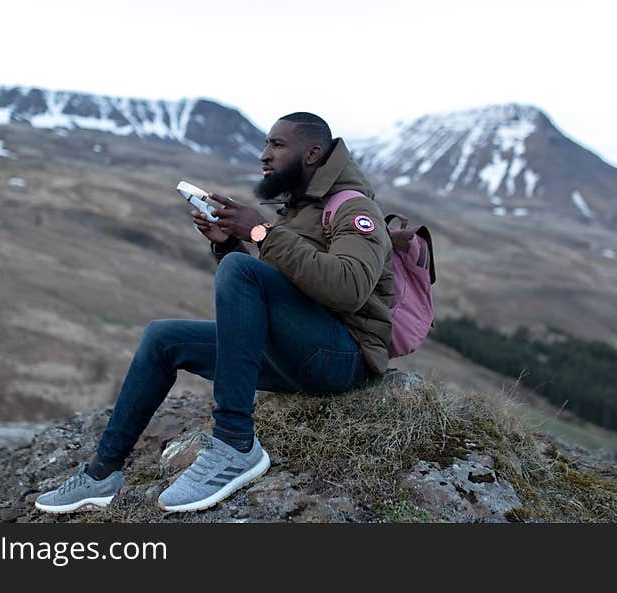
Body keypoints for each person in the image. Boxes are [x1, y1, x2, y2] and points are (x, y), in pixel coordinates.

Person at [34, 112, 393, 514]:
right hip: (297, 353)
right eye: (265, 145)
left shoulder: (353, 207)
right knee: (162, 337)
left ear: (312, 153)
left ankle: (234, 443)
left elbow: (349, 288)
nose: (264, 155)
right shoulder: (298, 209)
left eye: (276, 145)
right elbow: (281, 288)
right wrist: (227, 245)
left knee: (240, 271)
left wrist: (259, 233)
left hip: (341, 361)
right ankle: (102, 474)